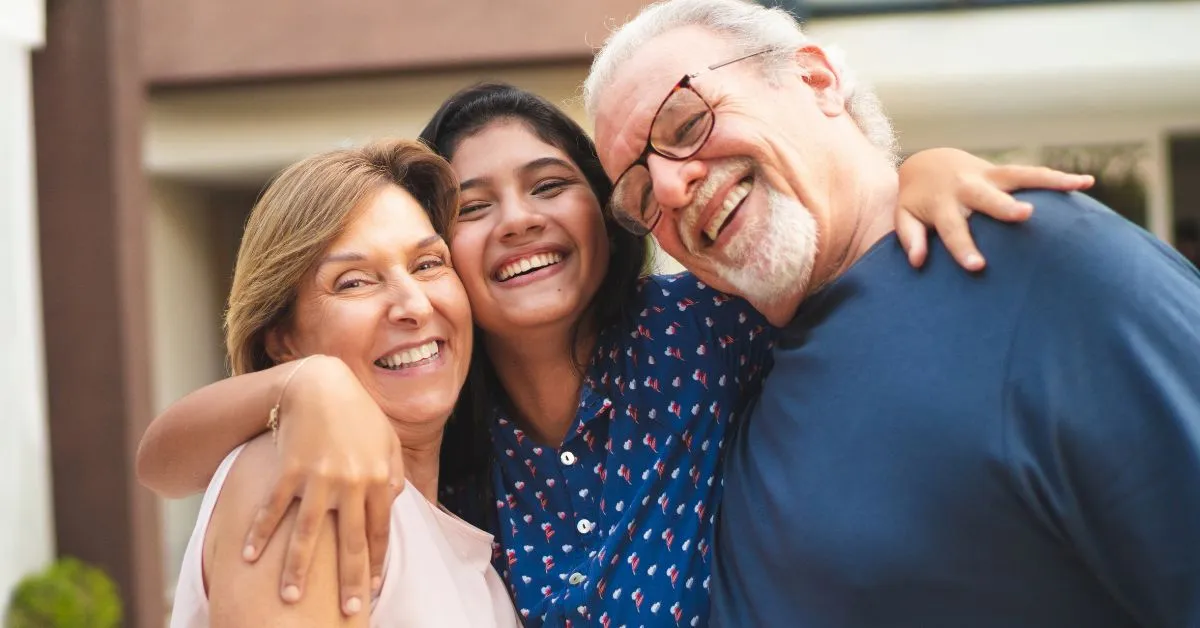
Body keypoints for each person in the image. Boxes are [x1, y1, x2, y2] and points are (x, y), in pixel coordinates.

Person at [137, 84, 1092, 627]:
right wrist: (303, 385)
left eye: (551, 184)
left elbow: (841, 265)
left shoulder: (708, 325)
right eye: (470, 209)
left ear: (609, 212)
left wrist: (912, 176)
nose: (518, 222)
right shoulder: (413, 452)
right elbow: (165, 462)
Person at [583, 0, 1200, 626]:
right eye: (638, 194)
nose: (668, 188)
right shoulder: (724, 367)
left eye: (687, 124)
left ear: (818, 80)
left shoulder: (1046, 263)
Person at [167, 139, 519, 627]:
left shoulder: (456, 531)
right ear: (283, 340)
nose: (414, 305)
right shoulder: (298, 471)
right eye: (354, 282)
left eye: (428, 264)